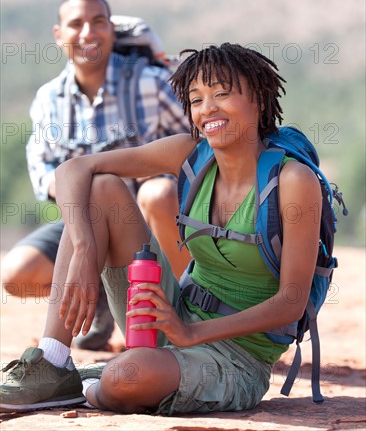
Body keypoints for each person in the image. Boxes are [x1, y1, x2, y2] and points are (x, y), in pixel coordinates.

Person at [0, 43, 321, 415]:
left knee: (125, 378)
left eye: (222, 94)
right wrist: (86, 249)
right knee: (101, 188)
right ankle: (53, 363)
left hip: (236, 356)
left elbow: (291, 303)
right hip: (172, 311)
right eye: (196, 99)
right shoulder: (191, 153)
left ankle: (91, 384)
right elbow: (74, 169)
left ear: (260, 100)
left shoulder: (293, 180)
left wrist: (191, 334)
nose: (207, 109)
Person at [1, 0, 191, 351]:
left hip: (154, 220)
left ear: (111, 31)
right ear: (58, 36)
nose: (88, 32)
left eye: (98, 21)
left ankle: (185, 312)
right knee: (16, 275)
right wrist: (82, 214)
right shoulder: (48, 100)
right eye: (76, 24)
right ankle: (104, 296)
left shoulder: (149, 84)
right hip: (82, 221)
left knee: (159, 192)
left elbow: (198, 148)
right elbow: (44, 174)